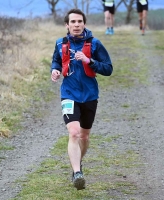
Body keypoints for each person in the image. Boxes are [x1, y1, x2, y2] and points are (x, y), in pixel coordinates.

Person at [50, 8, 113, 190]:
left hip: (90, 95)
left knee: (84, 136)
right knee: (74, 132)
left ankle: (78, 164)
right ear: (67, 25)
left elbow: (108, 69)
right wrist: (54, 70)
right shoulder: (60, 44)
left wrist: (89, 61)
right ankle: (77, 173)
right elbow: (56, 61)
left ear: (84, 24)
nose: (76, 25)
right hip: (69, 94)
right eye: (73, 22)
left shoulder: (94, 44)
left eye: (79, 22)